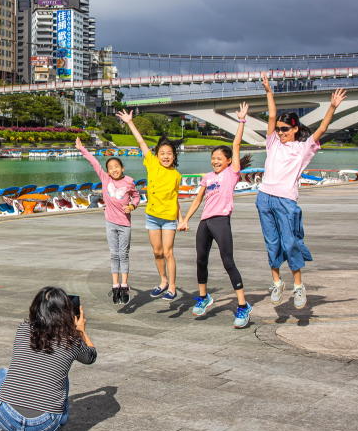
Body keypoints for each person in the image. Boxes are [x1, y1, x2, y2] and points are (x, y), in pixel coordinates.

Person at [257, 74, 347, 308]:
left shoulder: (303, 149)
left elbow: (322, 129)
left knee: (290, 243)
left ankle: (298, 287)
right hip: (264, 198)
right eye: (278, 129)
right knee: (272, 243)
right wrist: (268, 91)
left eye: (285, 129)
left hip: (286, 200)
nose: (280, 132)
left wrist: (332, 107)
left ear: (295, 128)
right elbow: (272, 115)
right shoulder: (272, 142)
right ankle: (277, 283)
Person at [0, 286, 96, 431]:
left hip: (7, 418)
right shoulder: (71, 340)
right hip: (46, 426)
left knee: (1, 374)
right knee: (61, 376)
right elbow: (91, 357)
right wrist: (80, 331)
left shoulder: (24, 329)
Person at [178, 102, 254, 327]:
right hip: (205, 222)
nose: (215, 160)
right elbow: (198, 199)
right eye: (213, 158)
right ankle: (203, 297)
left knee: (227, 261)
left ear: (229, 160)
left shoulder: (232, 174)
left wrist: (241, 121)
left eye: (219, 158)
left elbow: (236, 143)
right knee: (200, 260)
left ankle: (242, 306)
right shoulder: (208, 177)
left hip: (221, 221)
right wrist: (185, 219)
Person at [116, 110, 183, 300]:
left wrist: (182, 219)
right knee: (157, 251)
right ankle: (162, 281)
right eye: (162, 153)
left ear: (174, 156)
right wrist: (130, 122)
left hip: (169, 218)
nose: (165, 156)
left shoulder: (176, 175)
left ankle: (172, 286)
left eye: (169, 153)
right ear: (157, 155)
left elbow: (175, 198)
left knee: (168, 252)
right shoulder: (152, 164)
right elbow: (141, 143)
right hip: (152, 216)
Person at [75, 136, 141, 305]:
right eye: (110, 168)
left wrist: (132, 206)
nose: (113, 170)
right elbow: (94, 162)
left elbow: (136, 196)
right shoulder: (105, 179)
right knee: (114, 255)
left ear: (122, 167)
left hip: (125, 224)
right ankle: (115, 285)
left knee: (123, 255)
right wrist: (82, 149)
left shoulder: (129, 182)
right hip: (110, 222)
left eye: (116, 167)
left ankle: (124, 286)